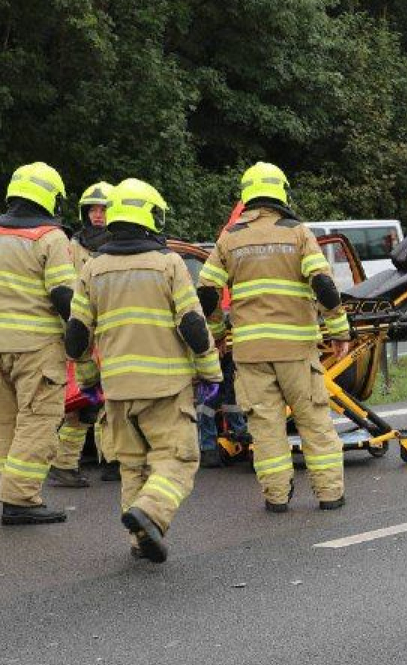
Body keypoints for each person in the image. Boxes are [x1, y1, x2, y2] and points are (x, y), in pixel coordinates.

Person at [67, 179, 222, 562]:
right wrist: (210, 372)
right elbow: (193, 325)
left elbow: (76, 334)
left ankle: (139, 540)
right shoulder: (168, 264)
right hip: (166, 386)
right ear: (150, 216)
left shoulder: (94, 267)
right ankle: (150, 513)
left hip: (117, 389)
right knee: (178, 460)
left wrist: (88, 380)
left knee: (133, 465)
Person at [197, 163, 350, 512]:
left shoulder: (230, 237)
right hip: (295, 348)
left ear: (246, 195)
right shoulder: (297, 233)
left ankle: (276, 498)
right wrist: (339, 329)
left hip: (251, 352)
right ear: (281, 192)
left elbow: (206, 292)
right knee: (313, 421)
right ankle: (329, 495)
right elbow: (323, 285)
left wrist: (219, 332)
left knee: (265, 428)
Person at [0, 162, 75, 525]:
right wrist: (80, 337)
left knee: (5, 423)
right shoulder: (50, 238)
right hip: (37, 347)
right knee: (39, 420)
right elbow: (64, 297)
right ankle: (21, 499)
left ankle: (13, 490)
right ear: (50, 196)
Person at [50, 181, 113, 487]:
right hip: (83, 331)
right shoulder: (72, 246)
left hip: (111, 332)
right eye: (93, 210)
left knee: (110, 400)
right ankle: (64, 463)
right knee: (85, 400)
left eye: (103, 210)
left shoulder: (119, 243)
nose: (97, 215)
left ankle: (112, 461)